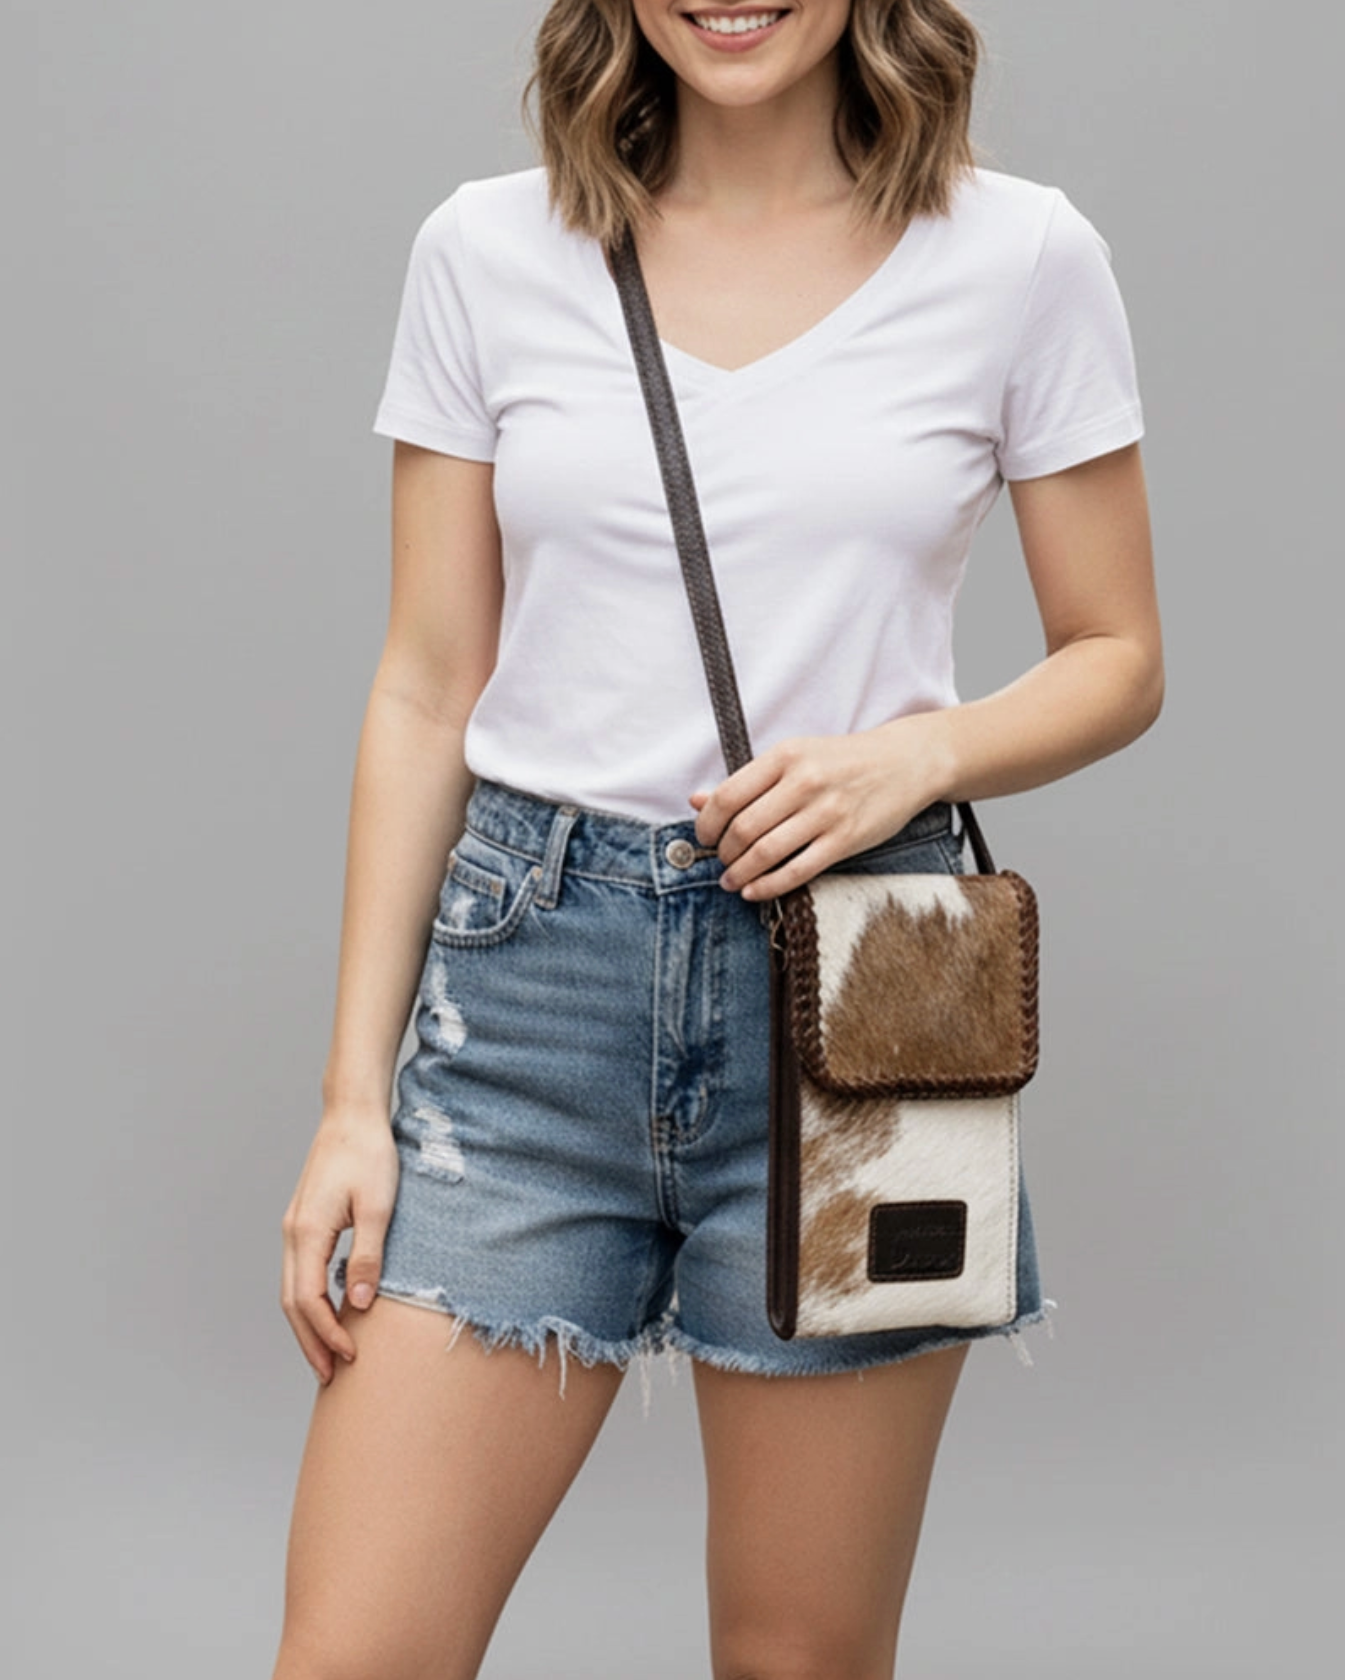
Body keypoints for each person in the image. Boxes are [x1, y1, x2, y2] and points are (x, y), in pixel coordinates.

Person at [272, 3, 1162, 1676]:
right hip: (532, 1004)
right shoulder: (487, 250)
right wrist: (347, 1102)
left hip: (869, 1002)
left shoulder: (1021, 257)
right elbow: (424, 686)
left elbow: (1121, 653)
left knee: (796, 1661)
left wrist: (919, 757)